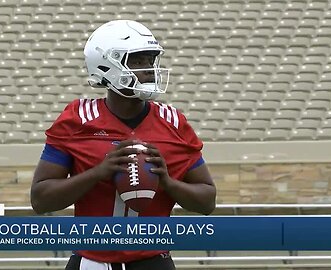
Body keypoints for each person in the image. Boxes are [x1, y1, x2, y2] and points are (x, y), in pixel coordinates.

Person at [31, 20, 216, 270]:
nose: (149, 70)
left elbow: (207, 201)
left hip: (153, 261)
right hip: (90, 261)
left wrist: (168, 182)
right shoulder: (77, 119)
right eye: (137, 61)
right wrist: (97, 173)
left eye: (150, 61)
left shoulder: (173, 122)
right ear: (106, 65)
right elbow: (41, 200)